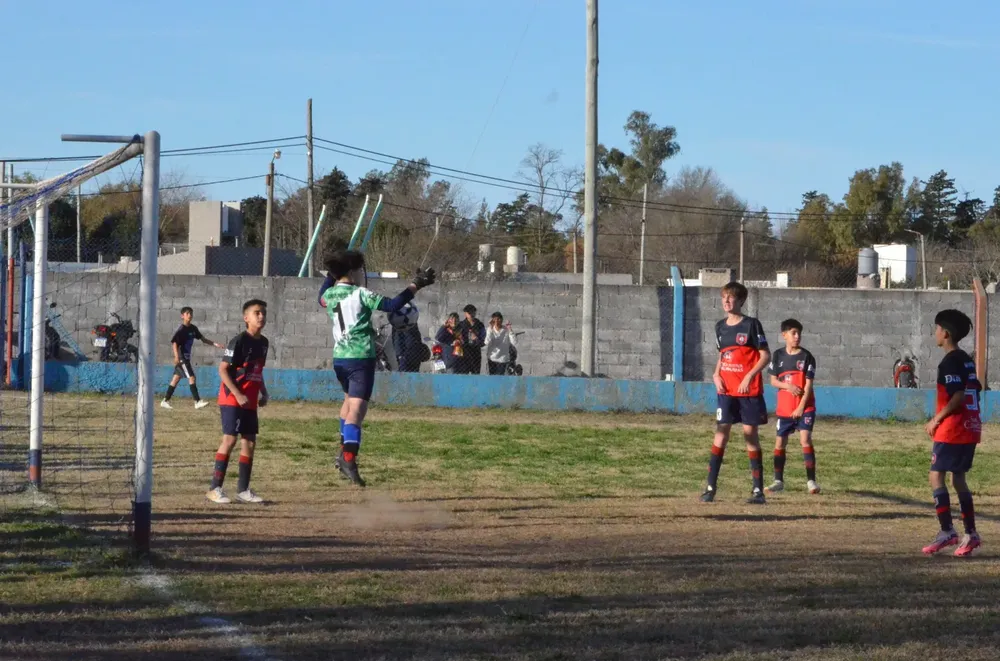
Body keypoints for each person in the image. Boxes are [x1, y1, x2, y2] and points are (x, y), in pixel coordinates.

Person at [318, 250, 436, 486]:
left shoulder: (330, 295)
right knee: (357, 410)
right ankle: (349, 458)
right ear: (353, 272)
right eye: (360, 270)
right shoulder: (361, 294)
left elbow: (320, 296)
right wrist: (416, 285)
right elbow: (392, 305)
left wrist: (331, 275)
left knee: (347, 404)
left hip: (340, 358)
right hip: (360, 358)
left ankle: (343, 454)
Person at [701, 282, 771, 504]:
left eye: (731, 298)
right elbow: (723, 355)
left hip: (748, 391)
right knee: (721, 433)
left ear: (741, 301)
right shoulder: (720, 326)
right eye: (724, 298)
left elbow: (765, 355)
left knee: (750, 436)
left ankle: (758, 491)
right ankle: (710, 488)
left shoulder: (751, 325)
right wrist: (716, 374)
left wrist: (749, 376)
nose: (726, 302)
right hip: (727, 391)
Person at [921, 309, 982, 557]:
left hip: (953, 429)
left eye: (936, 329)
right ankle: (970, 534)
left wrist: (936, 419)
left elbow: (957, 395)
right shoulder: (966, 359)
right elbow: (974, 388)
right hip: (970, 427)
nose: (935, 333)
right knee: (958, 479)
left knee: (936, 476)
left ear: (945, 333)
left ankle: (948, 531)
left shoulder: (949, 362)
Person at [206, 299, 269, 505]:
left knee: (249, 442)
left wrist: (263, 391)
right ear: (246, 317)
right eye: (257, 313)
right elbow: (223, 370)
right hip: (231, 398)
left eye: (263, 313)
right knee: (230, 440)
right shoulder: (238, 341)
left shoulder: (264, 343)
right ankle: (214, 488)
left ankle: (243, 490)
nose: (261, 316)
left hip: (249, 401)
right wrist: (238, 394)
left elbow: (257, 370)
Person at [765, 319, 820, 495]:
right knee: (780, 442)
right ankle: (778, 481)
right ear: (784, 335)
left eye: (799, 333)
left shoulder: (807, 357)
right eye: (794, 333)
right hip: (785, 409)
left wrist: (801, 407)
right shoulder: (778, 355)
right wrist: (788, 386)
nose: (797, 337)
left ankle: (811, 481)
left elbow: (809, 385)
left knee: (805, 439)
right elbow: (773, 381)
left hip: (804, 407)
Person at [161, 306, 224, 410]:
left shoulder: (193, 328)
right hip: (182, 358)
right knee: (192, 377)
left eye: (191, 313)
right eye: (187, 313)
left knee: (176, 379)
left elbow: (203, 339)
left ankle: (165, 401)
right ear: (182, 316)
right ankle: (197, 401)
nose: (189, 315)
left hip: (186, 358)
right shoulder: (181, 330)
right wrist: (176, 357)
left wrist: (216, 344)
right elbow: (174, 343)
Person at [457, 304, 485, 374]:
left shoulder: (480, 325)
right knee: (463, 375)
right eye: (469, 313)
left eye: (473, 312)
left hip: (476, 354)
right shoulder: (461, 325)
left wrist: (476, 339)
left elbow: (483, 341)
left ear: (475, 312)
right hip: (464, 354)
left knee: (475, 375)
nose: (471, 314)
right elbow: (455, 337)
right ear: (465, 314)